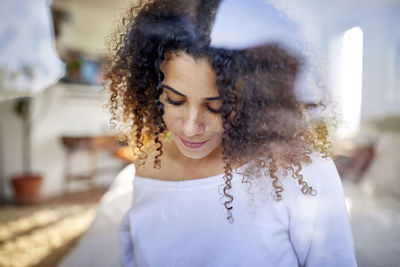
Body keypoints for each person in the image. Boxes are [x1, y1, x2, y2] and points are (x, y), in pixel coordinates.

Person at [104, 0, 357, 266]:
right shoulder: (148, 164)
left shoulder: (302, 173)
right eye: (174, 100)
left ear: (255, 100)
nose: (191, 127)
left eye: (217, 106)